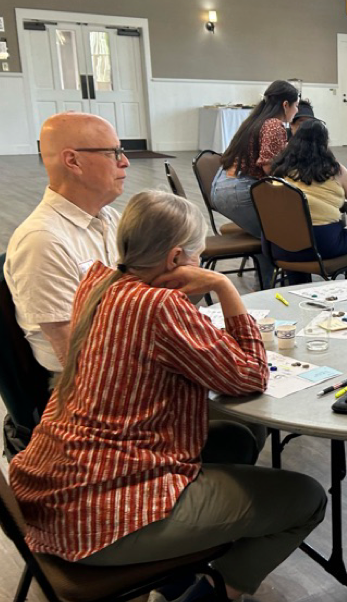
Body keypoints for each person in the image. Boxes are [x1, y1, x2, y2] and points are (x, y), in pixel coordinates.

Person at [9, 191, 326, 601]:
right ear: (177, 259)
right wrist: (223, 286)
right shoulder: (158, 306)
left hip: (55, 490)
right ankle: (202, 593)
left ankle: (176, 576)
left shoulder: (99, 282)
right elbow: (250, 375)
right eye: (198, 256)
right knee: (306, 499)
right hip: (100, 520)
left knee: (233, 437)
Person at [4, 112, 128, 374]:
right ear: (73, 161)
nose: (125, 162)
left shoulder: (109, 218)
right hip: (83, 384)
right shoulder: (42, 240)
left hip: (120, 355)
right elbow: (71, 356)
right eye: (113, 153)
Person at [211, 80, 299, 287]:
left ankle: (266, 282)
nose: (296, 111)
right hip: (238, 191)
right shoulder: (274, 124)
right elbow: (269, 168)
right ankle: (272, 287)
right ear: (285, 105)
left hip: (222, 185)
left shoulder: (255, 120)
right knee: (279, 235)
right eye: (296, 106)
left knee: (266, 237)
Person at [269, 118, 347, 281]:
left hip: (282, 244)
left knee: (296, 252)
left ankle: (298, 290)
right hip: (321, 242)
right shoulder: (333, 169)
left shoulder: (282, 168)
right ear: (325, 143)